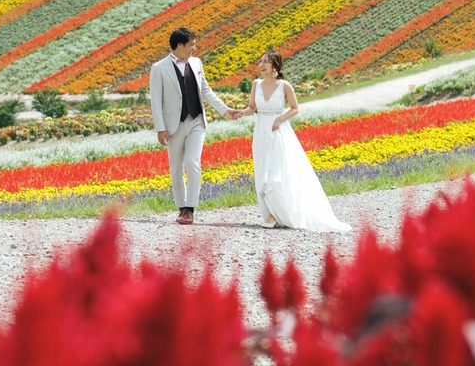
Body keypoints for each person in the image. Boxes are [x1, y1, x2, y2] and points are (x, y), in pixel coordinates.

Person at [237, 50, 350, 232]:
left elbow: (295, 108)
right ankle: (270, 211)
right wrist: (242, 112)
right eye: (260, 61)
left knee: (276, 171)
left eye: (266, 62)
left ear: (275, 65)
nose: (262, 65)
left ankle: (276, 213)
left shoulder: (284, 86)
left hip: (278, 131)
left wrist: (280, 119)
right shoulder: (255, 84)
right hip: (261, 132)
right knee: (262, 170)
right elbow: (252, 107)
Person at [149, 27, 238, 225]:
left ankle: (190, 209)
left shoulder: (197, 63)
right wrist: (160, 128)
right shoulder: (159, 68)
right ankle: (181, 207)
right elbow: (156, 100)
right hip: (173, 124)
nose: (194, 48)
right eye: (191, 44)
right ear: (180, 45)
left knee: (192, 162)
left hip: (197, 121)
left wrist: (225, 110)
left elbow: (205, 90)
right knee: (176, 168)